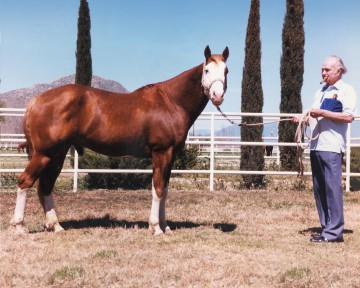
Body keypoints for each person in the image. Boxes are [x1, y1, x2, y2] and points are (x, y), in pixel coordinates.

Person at [296, 55, 357, 243]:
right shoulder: (320, 92)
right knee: (320, 188)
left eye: (327, 70)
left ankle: (334, 232)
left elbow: (348, 117)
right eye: (322, 69)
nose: (323, 73)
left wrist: (322, 112)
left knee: (332, 188)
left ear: (338, 71)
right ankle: (326, 228)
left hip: (331, 147)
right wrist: (303, 119)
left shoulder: (347, 91)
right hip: (316, 146)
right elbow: (314, 116)